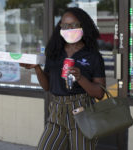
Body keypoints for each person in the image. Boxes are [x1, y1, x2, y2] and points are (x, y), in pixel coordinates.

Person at [21, 7, 106, 150]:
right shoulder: (54, 52)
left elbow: (99, 93)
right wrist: (37, 68)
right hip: (57, 111)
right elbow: (47, 87)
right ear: (60, 28)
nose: (69, 29)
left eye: (74, 25)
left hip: (82, 111)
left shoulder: (93, 56)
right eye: (65, 25)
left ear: (83, 26)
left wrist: (80, 78)